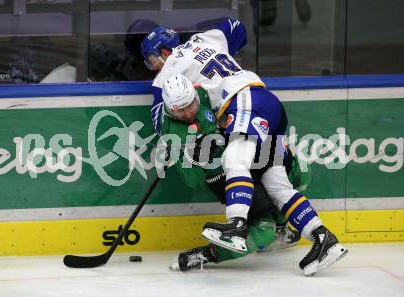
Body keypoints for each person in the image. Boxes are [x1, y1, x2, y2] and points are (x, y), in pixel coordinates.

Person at [140, 18, 347, 276]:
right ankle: (323, 238)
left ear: (164, 53)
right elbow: (236, 26)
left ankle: (236, 225)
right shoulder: (206, 39)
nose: (153, 68)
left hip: (242, 102)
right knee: (277, 184)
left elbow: (161, 118)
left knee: (234, 160)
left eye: (152, 61)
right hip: (265, 99)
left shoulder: (168, 73)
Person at [158, 73, 305, 271]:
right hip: (223, 178)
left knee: (300, 172)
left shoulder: (206, 93)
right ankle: (205, 254)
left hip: (250, 153)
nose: (187, 114)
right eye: (179, 111)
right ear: (169, 110)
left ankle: (281, 226)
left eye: (190, 106)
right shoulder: (171, 132)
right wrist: (197, 158)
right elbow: (192, 180)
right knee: (263, 232)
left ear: (194, 94)